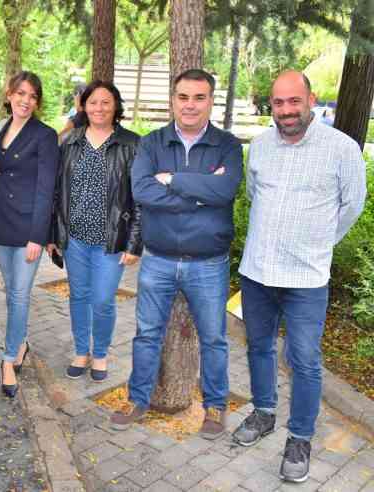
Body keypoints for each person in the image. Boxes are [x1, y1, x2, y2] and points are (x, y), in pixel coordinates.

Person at [233, 71, 366, 483]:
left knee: (305, 360)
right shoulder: (259, 147)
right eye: (279, 103)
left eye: (294, 101)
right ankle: (264, 412)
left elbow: (352, 207)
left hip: (307, 278)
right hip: (257, 272)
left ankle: (300, 437)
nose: (287, 110)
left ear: (310, 100)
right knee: (258, 347)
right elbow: (255, 194)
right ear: (270, 105)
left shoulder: (342, 149)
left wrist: (317, 244)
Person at [111, 69, 243, 440]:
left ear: (210, 101)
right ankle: (138, 399)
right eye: (183, 97)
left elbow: (226, 190)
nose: (190, 105)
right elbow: (142, 191)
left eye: (199, 97)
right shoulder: (152, 143)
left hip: (208, 263)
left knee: (214, 338)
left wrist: (172, 180)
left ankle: (215, 407)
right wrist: (202, 193)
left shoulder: (228, 146)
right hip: (159, 259)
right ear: (173, 99)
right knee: (147, 333)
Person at [48, 80, 143, 383]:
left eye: (105, 102)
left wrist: (134, 243)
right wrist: (54, 235)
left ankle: (100, 353)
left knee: (102, 299)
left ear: (115, 105)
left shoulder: (131, 144)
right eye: (92, 102)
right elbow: (55, 193)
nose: (99, 108)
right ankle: (81, 351)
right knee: (79, 296)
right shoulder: (70, 142)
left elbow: (140, 198)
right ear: (83, 106)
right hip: (74, 238)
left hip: (111, 241)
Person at [0, 71, 59, 398]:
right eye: (20, 93)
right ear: (9, 94)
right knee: (11, 291)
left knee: (19, 294)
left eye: (32, 96)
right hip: (0, 223)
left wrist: (37, 236)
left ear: (37, 102)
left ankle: (7, 358)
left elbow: (46, 188)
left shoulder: (45, 135)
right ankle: (22, 343)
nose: (25, 100)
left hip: (28, 227)